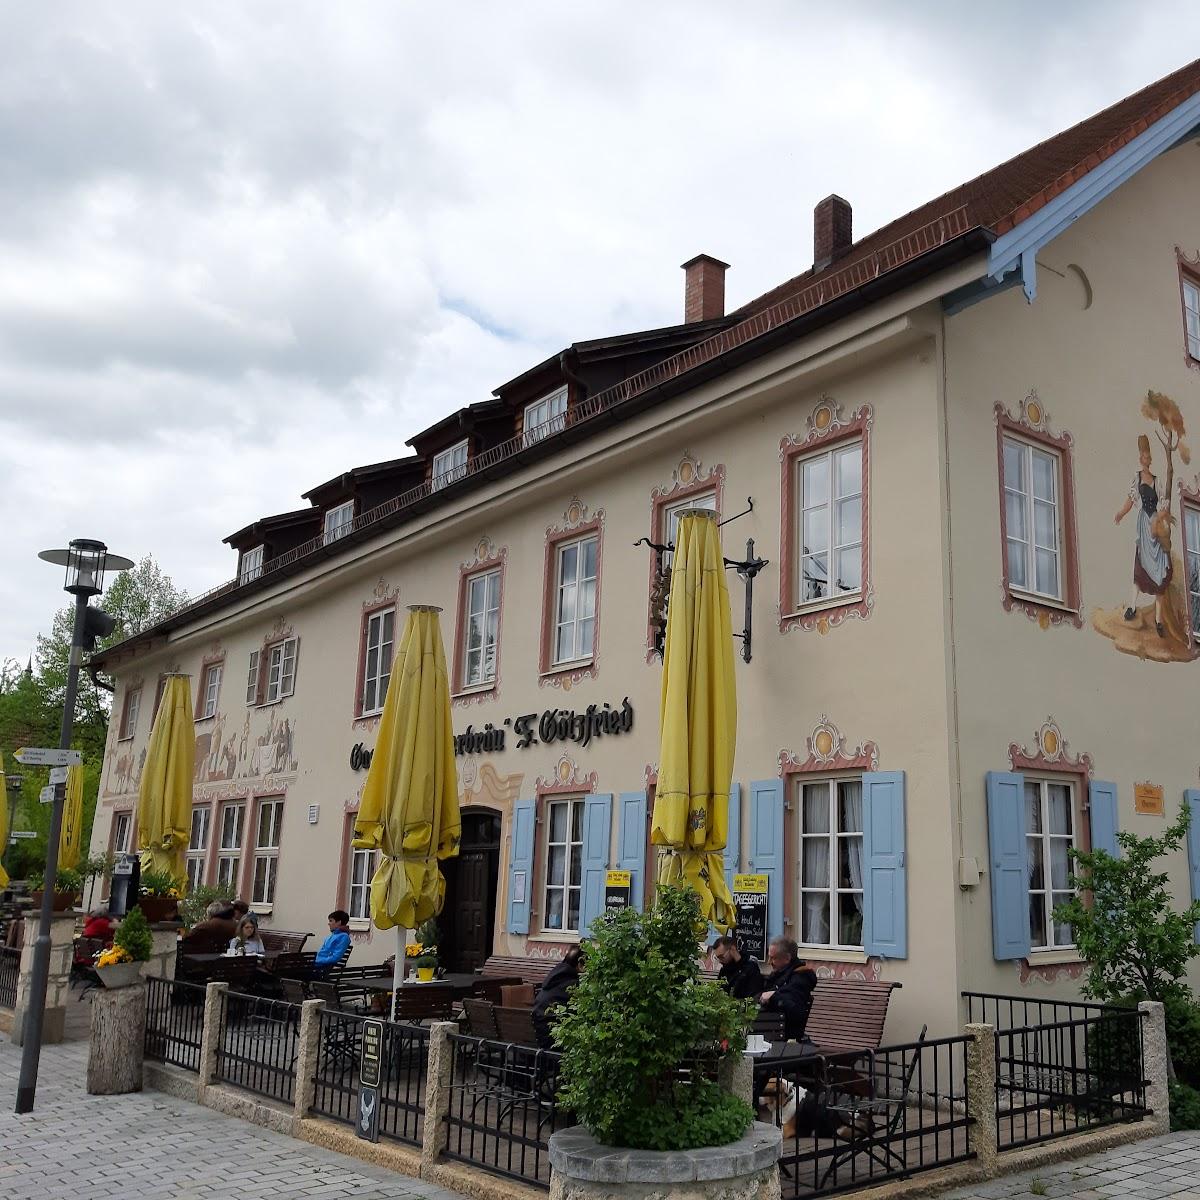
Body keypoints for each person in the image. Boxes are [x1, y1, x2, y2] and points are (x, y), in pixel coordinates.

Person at [1115, 433, 1172, 638]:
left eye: (1149, 456)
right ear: (1140, 458)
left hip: (1154, 525)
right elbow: (1131, 500)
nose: (1146, 459)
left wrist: (1162, 518)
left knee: (1160, 571)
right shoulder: (1137, 478)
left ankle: (1158, 620)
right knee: (1139, 567)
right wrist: (1121, 513)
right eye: (1144, 456)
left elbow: (1164, 504)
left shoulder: (1157, 481)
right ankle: (1132, 607)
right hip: (1143, 525)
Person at [759, 937, 818, 1041]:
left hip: (786, 1035)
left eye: (773, 958)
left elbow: (792, 1005)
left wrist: (773, 996)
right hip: (772, 1030)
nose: (769, 962)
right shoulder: (778, 975)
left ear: (787, 958)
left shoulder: (801, 977)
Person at [532, 944, 585, 1050]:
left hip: (541, 1040)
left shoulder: (554, 979)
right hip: (556, 1045)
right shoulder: (573, 985)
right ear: (580, 964)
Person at [713, 935, 763, 1000]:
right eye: (718, 958)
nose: (720, 961)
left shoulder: (750, 967)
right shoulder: (724, 969)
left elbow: (754, 995)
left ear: (732, 949)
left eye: (721, 956)